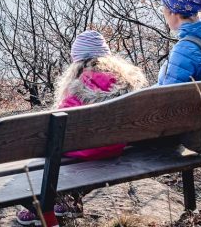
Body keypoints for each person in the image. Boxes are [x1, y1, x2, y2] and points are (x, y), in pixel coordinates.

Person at [16, 30, 147, 226]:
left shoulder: (79, 85)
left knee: (53, 150)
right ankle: (71, 201)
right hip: (114, 148)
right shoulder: (125, 81)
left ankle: (43, 210)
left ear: (77, 60)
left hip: (84, 153)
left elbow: (56, 131)